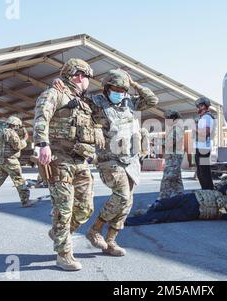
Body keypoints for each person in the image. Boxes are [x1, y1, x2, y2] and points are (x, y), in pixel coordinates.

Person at [54, 68, 159, 256]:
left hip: (131, 159)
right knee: (122, 196)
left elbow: (152, 100)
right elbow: (74, 99)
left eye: (122, 90)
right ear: (106, 88)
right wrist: (59, 85)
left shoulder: (131, 103)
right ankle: (95, 230)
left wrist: (133, 84)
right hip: (109, 158)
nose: (119, 93)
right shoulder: (95, 103)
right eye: (115, 89)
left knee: (127, 204)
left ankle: (111, 240)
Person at [33, 58, 104, 271]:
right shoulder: (54, 93)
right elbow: (41, 117)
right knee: (63, 209)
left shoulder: (83, 101)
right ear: (79, 76)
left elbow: (96, 118)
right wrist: (42, 144)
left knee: (85, 209)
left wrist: (98, 127)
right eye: (87, 78)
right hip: (59, 159)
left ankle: (57, 233)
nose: (88, 83)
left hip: (80, 161)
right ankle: (64, 254)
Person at [125, 181, 227, 226]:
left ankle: (125, 221)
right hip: (191, 198)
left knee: (160, 217)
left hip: (193, 212)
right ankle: (147, 211)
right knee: (160, 204)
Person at [0, 116, 31, 210]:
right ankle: (26, 201)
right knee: (19, 180)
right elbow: (17, 146)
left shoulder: (1, 131)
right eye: (18, 126)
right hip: (10, 161)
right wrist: (24, 139)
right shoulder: (11, 133)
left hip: (0, 161)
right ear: (15, 125)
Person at [158, 109, 185, 200]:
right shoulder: (175, 127)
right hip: (173, 157)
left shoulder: (177, 128)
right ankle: (180, 199)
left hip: (174, 158)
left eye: (167, 119)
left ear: (172, 118)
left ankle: (162, 200)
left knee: (167, 179)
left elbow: (171, 141)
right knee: (177, 180)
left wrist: (161, 142)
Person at [194, 97, 215, 190]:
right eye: (198, 106)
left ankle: (209, 192)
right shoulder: (203, 118)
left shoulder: (207, 117)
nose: (198, 108)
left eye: (200, 106)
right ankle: (206, 192)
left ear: (205, 107)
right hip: (201, 148)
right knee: (201, 173)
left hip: (204, 150)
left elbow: (206, 132)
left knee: (204, 173)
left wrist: (195, 128)